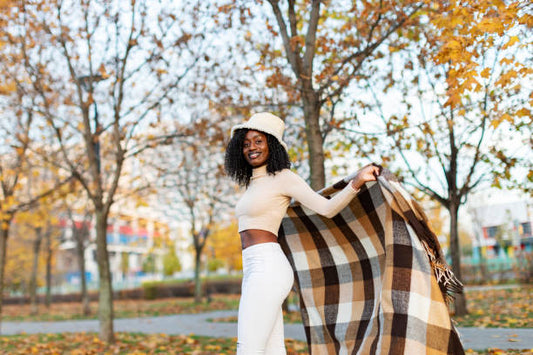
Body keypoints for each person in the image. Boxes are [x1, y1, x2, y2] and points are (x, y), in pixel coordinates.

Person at [224, 112, 380, 354]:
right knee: (271, 349)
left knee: (249, 347)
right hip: (253, 267)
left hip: (268, 267)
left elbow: (326, 209)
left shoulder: (284, 178)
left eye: (258, 141)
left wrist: (356, 183)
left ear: (271, 145)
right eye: (246, 143)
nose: (251, 148)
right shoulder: (251, 183)